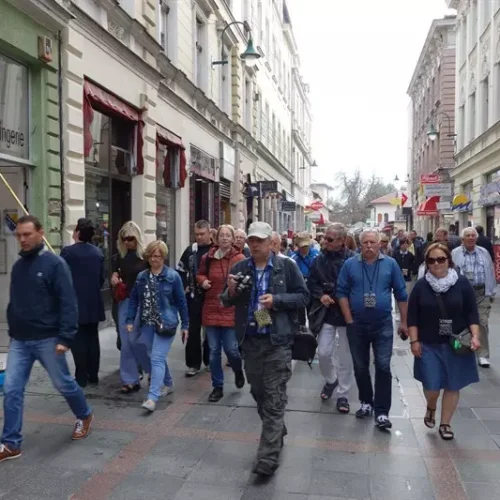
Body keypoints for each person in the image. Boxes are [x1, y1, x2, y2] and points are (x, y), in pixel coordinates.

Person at [0, 216, 93, 462]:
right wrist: (13, 328)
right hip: (20, 340)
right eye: (19, 235)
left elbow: (68, 303)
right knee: (11, 389)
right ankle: (10, 443)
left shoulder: (55, 264)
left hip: (48, 339)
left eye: (27, 234)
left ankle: (84, 414)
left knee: (63, 384)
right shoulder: (19, 266)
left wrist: (65, 337)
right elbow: (15, 302)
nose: (22, 239)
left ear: (40, 233)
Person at [221, 222, 309, 476]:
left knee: (273, 397)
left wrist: (277, 300)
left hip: (278, 341)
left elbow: (303, 297)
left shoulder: (286, 266)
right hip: (250, 341)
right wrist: (231, 291)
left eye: (260, 240)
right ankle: (277, 429)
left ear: (271, 242)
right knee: (258, 392)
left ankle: (267, 457)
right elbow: (226, 300)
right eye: (252, 240)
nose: (255, 245)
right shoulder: (240, 268)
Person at [336, 229, 408, 430]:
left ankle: (382, 412)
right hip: (357, 324)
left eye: (372, 242)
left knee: (383, 366)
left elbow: (401, 293)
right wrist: (349, 319)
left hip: (383, 324)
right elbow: (341, 292)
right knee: (360, 366)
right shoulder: (350, 264)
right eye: (365, 242)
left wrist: (404, 322)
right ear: (360, 245)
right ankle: (366, 402)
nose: (368, 246)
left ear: (379, 244)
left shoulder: (390, 264)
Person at [408, 243, 480, 440]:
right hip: (428, 343)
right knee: (431, 385)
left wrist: (475, 336)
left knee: (453, 385)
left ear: (449, 260)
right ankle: (431, 406)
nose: (436, 263)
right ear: (426, 263)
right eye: (431, 260)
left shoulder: (462, 283)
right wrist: (414, 341)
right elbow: (412, 317)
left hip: (456, 343)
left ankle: (445, 424)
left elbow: (472, 313)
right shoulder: (421, 286)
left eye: (441, 259)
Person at [126, 241, 189, 412]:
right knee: (145, 351)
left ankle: (152, 397)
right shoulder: (142, 277)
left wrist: (185, 325)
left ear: (164, 257)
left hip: (166, 323)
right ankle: (167, 382)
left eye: (158, 256)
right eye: (152, 256)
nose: (155, 259)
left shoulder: (173, 277)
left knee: (156, 358)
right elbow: (134, 300)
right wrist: (130, 320)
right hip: (147, 322)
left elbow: (182, 302)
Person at [308, 223, 355, 413]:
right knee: (323, 353)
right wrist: (321, 295)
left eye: (329, 239)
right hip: (326, 312)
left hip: (346, 313)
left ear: (342, 240)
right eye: (324, 237)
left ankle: (343, 395)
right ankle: (331, 379)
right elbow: (311, 283)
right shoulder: (319, 260)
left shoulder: (353, 260)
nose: (324, 241)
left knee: (345, 356)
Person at [197, 225, 246, 402]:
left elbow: (246, 283)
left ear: (233, 239)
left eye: (228, 235)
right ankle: (217, 386)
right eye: (222, 235)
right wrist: (203, 281)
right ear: (216, 239)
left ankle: (238, 369)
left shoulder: (239, 258)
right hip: (211, 307)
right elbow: (200, 274)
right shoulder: (208, 257)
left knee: (231, 349)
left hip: (230, 309)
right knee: (213, 351)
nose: (224, 238)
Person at [61, 218, 105, 388]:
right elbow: (101, 278)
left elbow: (61, 277)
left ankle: (81, 376)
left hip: (76, 302)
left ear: (78, 232)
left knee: (78, 340)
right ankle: (93, 374)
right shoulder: (98, 253)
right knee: (92, 338)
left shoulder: (68, 252)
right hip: (93, 301)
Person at [111, 221, 149, 393]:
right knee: (126, 341)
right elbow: (114, 273)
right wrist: (114, 278)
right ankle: (130, 379)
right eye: (124, 239)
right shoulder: (120, 256)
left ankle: (150, 371)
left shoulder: (146, 257)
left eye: (130, 238)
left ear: (137, 238)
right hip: (125, 301)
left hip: (142, 301)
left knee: (138, 340)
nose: (127, 242)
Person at [452, 227, 496, 368]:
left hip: (481, 292)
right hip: (463, 293)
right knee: (463, 322)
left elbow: (490, 271)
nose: (471, 238)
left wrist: (491, 291)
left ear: (476, 238)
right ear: (462, 239)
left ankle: (483, 355)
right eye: (468, 235)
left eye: (473, 235)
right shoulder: (455, 253)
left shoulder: (484, 252)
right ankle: (462, 348)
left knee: (482, 322)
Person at [176, 220, 212, 377]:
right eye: (197, 234)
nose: (199, 237)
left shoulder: (215, 250)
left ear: (209, 233)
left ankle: (210, 360)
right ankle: (193, 364)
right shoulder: (191, 250)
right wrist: (184, 285)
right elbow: (180, 269)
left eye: (202, 234)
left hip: (211, 296)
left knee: (210, 331)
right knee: (193, 330)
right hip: (193, 297)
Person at [291, 231, 319, 328]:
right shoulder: (293, 257)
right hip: (300, 291)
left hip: (313, 290)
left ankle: (313, 333)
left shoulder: (317, 255)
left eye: (306, 246)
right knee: (300, 319)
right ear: (297, 245)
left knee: (313, 317)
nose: (304, 248)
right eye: (302, 246)